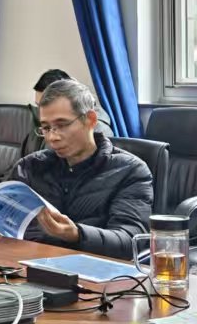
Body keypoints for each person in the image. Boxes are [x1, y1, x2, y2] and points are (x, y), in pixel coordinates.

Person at [10, 79, 152, 259]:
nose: (52, 137)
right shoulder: (29, 167)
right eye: (46, 128)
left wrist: (77, 234)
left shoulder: (130, 171)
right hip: (27, 263)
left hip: (93, 268)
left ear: (90, 120)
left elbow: (131, 241)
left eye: (62, 125)